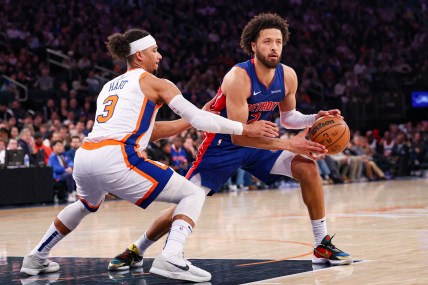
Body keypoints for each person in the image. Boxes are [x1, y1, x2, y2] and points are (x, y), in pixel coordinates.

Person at [20, 28, 281, 283]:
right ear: (139, 55)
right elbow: (200, 118)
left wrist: (191, 122)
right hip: (117, 156)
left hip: (86, 156)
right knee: (192, 193)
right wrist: (244, 127)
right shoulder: (154, 82)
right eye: (154, 50)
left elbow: (152, 131)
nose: (160, 56)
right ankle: (171, 256)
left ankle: (36, 257)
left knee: (85, 204)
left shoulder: (109, 86)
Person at [109, 13, 352, 272]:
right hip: (223, 145)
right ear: (253, 46)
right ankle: (138, 249)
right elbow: (239, 135)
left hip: (260, 142)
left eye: (279, 42)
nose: (274, 47)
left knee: (308, 167)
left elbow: (290, 118)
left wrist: (316, 118)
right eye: (267, 41)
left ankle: (321, 244)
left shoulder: (288, 76)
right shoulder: (238, 78)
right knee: (189, 200)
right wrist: (289, 145)